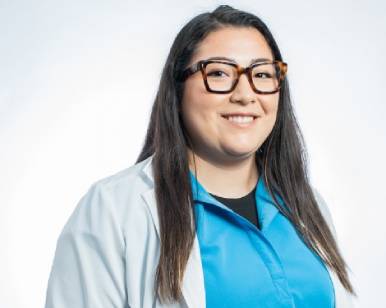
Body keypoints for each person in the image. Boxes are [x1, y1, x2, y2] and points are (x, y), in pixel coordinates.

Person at [44, 5, 357, 308]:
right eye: (219, 73)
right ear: (177, 92)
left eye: (262, 74)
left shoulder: (305, 204)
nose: (245, 94)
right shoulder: (113, 210)